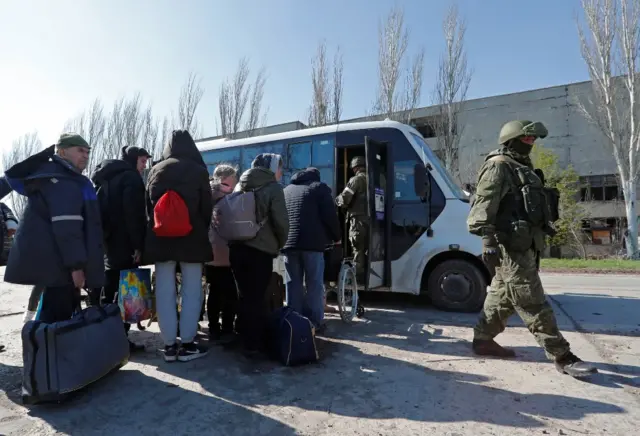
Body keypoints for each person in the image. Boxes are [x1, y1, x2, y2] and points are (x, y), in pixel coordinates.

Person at [467, 120, 597, 378]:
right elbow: (481, 211)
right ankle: (562, 355)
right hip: (510, 248)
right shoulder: (498, 166)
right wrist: (488, 242)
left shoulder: (520, 167)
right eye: (526, 139)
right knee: (532, 301)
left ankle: (482, 340)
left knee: (502, 298)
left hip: (525, 244)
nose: (531, 143)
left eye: (533, 139)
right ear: (511, 140)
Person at [3, 134, 104, 324]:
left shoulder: (60, 177)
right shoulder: (62, 181)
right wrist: (76, 267)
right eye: (80, 150)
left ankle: (43, 351)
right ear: (62, 151)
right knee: (56, 322)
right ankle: (45, 353)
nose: (85, 156)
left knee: (53, 318)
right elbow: (67, 227)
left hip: (55, 263)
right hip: (61, 265)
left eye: (88, 152)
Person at [144, 130, 213, 362]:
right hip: (192, 239)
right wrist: (198, 228)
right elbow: (206, 209)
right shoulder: (199, 171)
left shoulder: (155, 170)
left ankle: (169, 345)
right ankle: (188, 344)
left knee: (164, 290)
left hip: (161, 238)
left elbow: (148, 208)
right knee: (192, 290)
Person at [91, 145, 151, 352]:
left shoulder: (107, 177)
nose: (144, 166)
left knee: (110, 290)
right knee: (127, 293)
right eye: (142, 161)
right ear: (134, 159)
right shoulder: (131, 179)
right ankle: (120, 340)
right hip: (125, 243)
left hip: (108, 241)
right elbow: (133, 215)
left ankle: (106, 336)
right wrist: (137, 245)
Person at [229, 153, 289, 359]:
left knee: (244, 294)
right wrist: (280, 243)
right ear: (272, 168)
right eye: (280, 168)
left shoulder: (240, 185)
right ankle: (253, 344)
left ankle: (242, 335)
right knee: (257, 297)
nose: (281, 173)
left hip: (236, 248)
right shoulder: (273, 188)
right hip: (260, 250)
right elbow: (281, 222)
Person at [282, 167, 341, 329]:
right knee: (314, 282)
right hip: (312, 244)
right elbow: (330, 216)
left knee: (292, 282)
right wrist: (337, 238)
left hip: (289, 244)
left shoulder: (286, 190)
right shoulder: (319, 188)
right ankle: (315, 322)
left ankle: (293, 322)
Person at [206, 164, 238, 342]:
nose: (233, 186)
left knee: (214, 293)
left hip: (209, 254)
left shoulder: (205, 194)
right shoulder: (228, 198)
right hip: (226, 253)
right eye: (232, 182)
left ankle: (213, 328)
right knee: (230, 294)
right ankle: (226, 328)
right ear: (224, 180)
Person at [335, 156, 368, 282]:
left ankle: (357, 281)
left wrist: (336, 200)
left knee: (357, 250)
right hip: (373, 221)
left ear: (355, 168)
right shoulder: (376, 179)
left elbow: (344, 199)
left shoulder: (356, 180)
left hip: (358, 221)